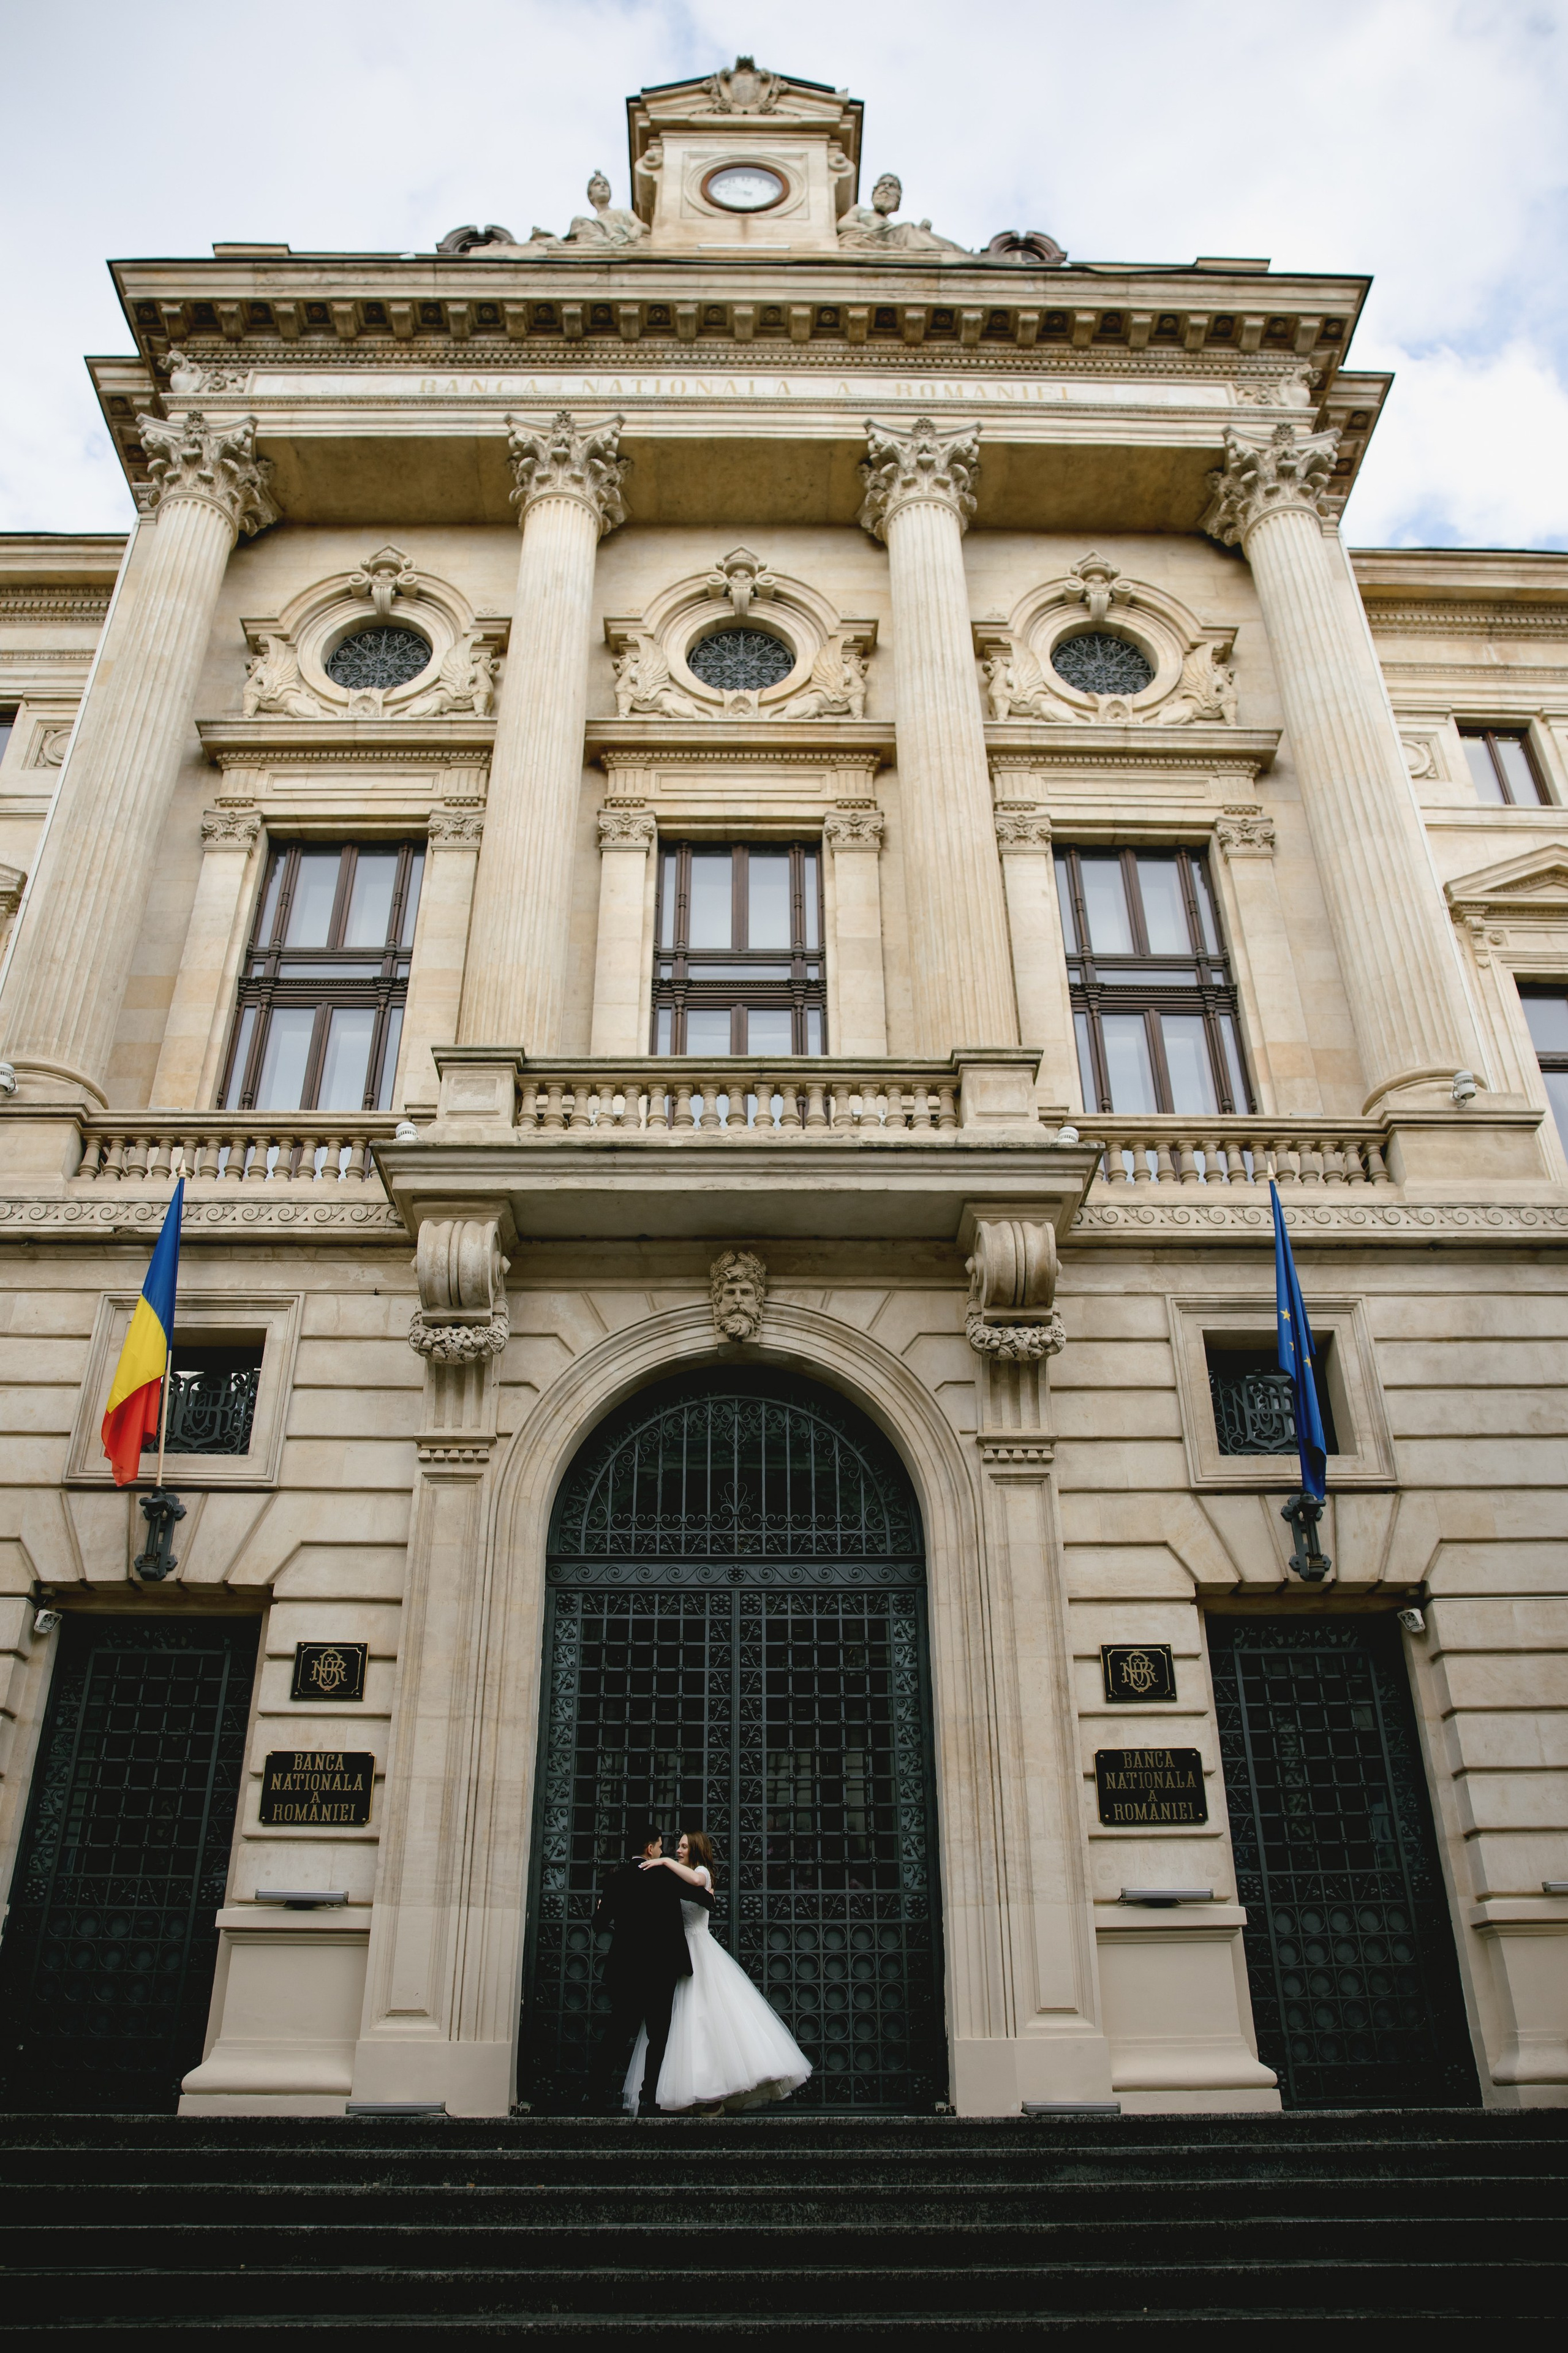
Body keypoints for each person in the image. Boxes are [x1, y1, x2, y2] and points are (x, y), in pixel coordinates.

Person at [625, 1831, 813, 2113]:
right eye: (677, 1846)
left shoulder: (700, 1872)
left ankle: (714, 2096)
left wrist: (663, 1863)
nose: (678, 1850)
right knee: (679, 2025)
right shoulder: (678, 1876)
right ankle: (689, 2095)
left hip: (699, 1951)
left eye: (684, 1846)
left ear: (696, 1850)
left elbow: (699, 1882)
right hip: (675, 1953)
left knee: (705, 2019)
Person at [590, 1823, 712, 2114]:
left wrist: (602, 1906)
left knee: (617, 2033)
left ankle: (596, 2095)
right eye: (659, 1846)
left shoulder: (616, 1880)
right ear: (650, 1849)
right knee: (658, 2037)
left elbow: (598, 1924)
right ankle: (648, 2098)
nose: (663, 1851)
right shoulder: (665, 1875)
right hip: (661, 1969)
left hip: (626, 1971)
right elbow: (705, 1899)